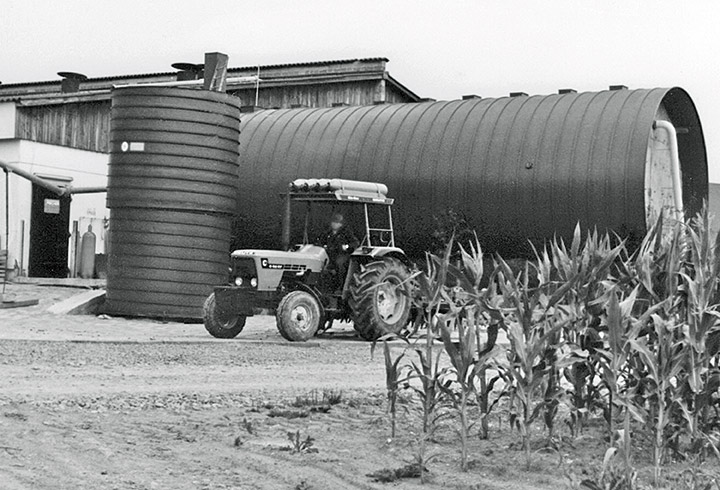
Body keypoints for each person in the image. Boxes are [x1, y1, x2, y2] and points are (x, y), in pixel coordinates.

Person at [319, 213, 359, 291]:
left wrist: (346, 246)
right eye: (333, 222)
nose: (335, 224)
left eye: (337, 222)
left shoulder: (346, 232)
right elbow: (320, 241)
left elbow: (355, 242)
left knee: (339, 263)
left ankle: (341, 287)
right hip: (329, 254)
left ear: (341, 224)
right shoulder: (327, 233)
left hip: (342, 254)